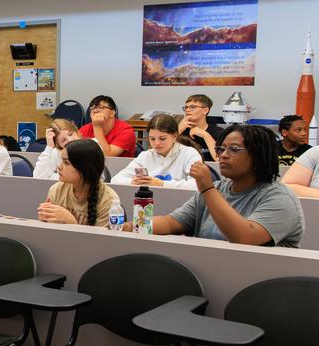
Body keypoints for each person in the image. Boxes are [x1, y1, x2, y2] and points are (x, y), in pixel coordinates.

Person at [153, 125, 304, 247]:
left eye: (234, 149)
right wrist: (134, 226)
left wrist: (207, 189)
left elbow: (245, 238)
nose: (223, 155)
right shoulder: (218, 188)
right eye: (221, 149)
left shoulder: (280, 198)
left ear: (258, 156)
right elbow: (172, 222)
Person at [38, 140, 119, 227]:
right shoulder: (56, 190)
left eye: (66, 162)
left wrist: (71, 222)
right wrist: (45, 220)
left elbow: (101, 240)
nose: (59, 166)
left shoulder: (109, 200)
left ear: (84, 168)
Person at [110, 114, 203, 189]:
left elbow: (197, 185)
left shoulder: (189, 154)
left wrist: (162, 184)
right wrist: (133, 182)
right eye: (152, 139)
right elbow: (115, 180)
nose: (157, 143)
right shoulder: (146, 156)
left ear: (174, 136)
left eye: (162, 138)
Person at [178, 94, 223, 161]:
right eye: (186, 107)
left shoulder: (219, 132)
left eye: (192, 107)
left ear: (205, 110)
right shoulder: (181, 130)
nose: (187, 110)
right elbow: (164, 155)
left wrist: (205, 135)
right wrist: (178, 130)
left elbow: (220, 159)